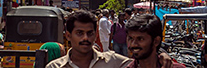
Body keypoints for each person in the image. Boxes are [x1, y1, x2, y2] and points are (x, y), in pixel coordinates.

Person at [46, 10, 174, 68]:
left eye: (90, 33)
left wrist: (161, 53)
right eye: (79, 33)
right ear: (68, 35)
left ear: (95, 34)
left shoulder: (113, 61)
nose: (85, 38)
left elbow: (143, 56)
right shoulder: (55, 67)